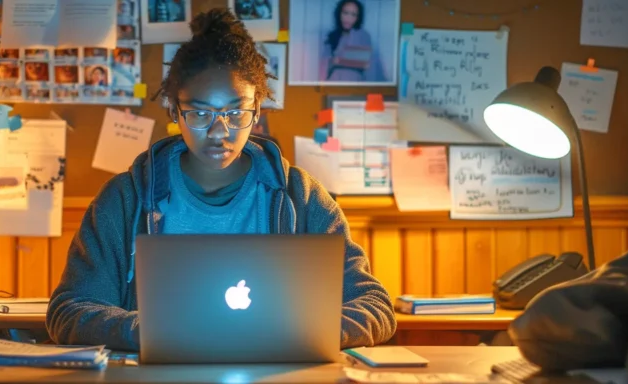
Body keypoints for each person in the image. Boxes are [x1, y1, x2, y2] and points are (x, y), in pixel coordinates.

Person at [47, 8, 396, 352]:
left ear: (257, 109)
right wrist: (158, 331)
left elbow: (374, 306)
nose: (219, 131)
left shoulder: (299, 197)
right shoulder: (125, 198)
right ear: (173, 110)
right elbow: (70, 311)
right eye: (200, 113)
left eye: (235, 112)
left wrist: (290, 331)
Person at [319, 0, 384, 82]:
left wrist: (338, 60)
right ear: (339, 14)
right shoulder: (332, 36)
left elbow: (367, 64)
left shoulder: (364, 35)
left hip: (355, 82)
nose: (348, 18)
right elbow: (324, 66)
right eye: (345, 13)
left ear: (358, 17)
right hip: (334, 81)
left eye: (353, 15)